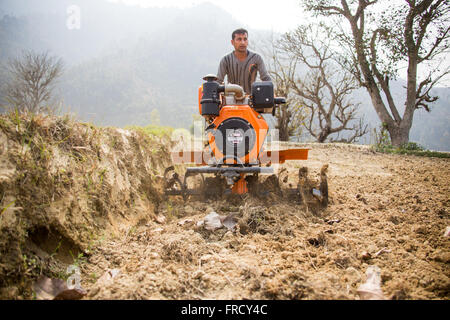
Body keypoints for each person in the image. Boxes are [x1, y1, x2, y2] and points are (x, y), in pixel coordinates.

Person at [217, 28, 271, 95]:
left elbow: (266, 78)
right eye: (239, 39)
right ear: (232, 42)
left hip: (252, 100)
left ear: (247, 41)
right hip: (231, 100)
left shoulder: (256, 58)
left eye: (245, 39)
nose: (242, 42)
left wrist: (272, 93)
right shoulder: (226, 60)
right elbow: (218, 81)